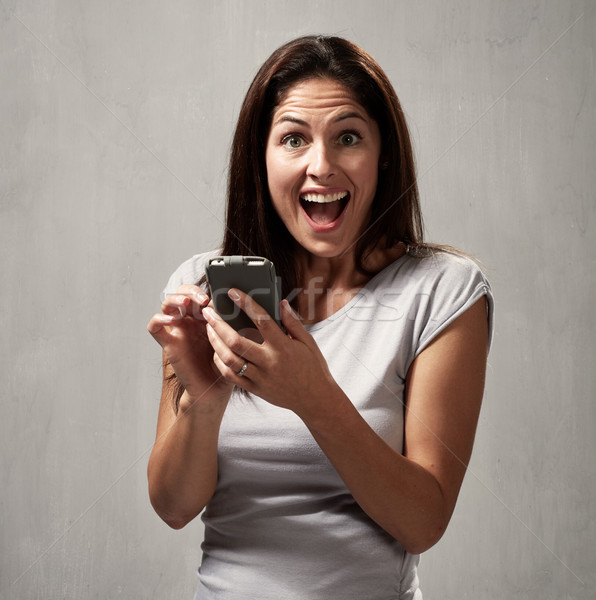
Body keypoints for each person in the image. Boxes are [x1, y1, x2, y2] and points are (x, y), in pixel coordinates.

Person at [147, 35, 493, 600]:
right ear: (262, 158)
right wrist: (202, 400)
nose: (321, 166)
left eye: (348, 138)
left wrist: (313, 397)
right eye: (293, 139)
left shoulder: (444, 291)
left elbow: (423, 522)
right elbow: (173, 507)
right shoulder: (204, 287)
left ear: (383, 156)